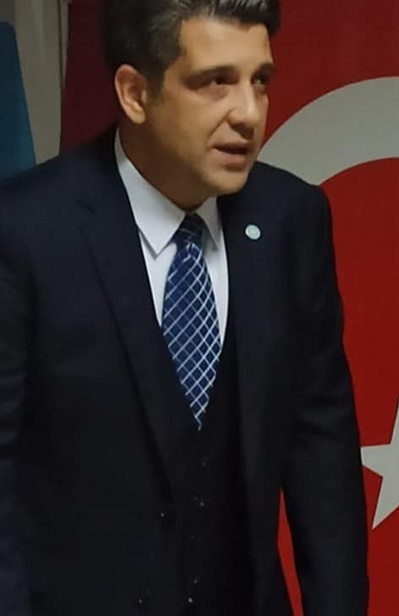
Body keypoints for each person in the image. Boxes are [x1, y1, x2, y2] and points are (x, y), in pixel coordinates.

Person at [0, 1, 368, 615]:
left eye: (259, 81)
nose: (248, 113)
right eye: (215, 82)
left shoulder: (291, 220)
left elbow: (321, 452)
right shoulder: (25, 231)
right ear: (135, 93)